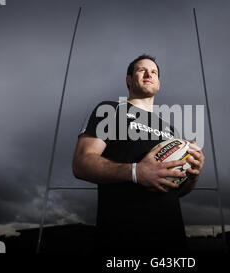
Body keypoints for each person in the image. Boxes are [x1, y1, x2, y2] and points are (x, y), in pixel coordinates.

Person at [72, 54, 205, 255]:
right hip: (122, 239)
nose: (148, 74)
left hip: (172, 241)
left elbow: (176, 190)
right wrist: (136, 172)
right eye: (141, 70)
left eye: (154, 72)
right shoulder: (110, 111)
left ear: (159, 83)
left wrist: (192, 174)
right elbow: (81, 163)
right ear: (128, 79)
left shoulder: (171, 131)